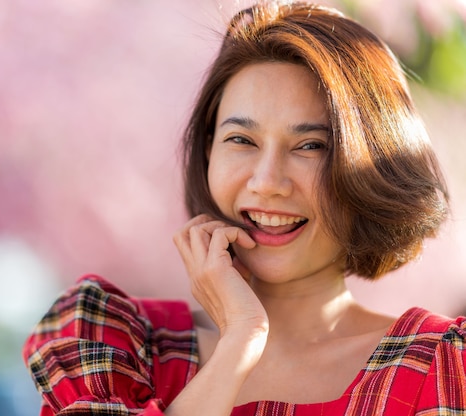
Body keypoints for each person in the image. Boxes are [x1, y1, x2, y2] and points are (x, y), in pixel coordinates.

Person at [23, 1, 466, 415]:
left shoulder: (444, 370)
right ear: (208, 150)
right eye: (242, 140)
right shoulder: (114, 343)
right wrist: (240, 340)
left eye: (312, 146)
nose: (268, 183)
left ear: (373, 169)